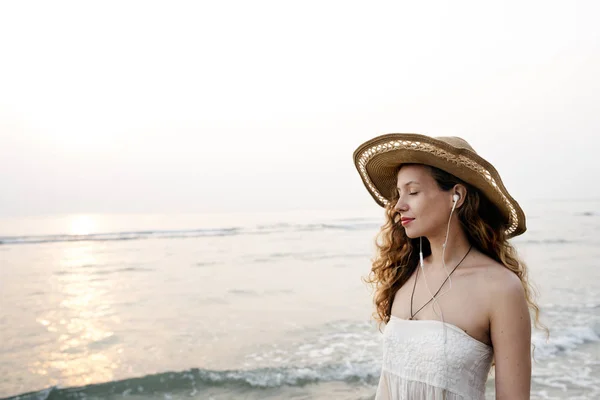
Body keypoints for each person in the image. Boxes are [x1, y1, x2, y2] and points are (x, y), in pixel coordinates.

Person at [352, 134, 545, 400]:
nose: (399, 205)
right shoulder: (405, 276)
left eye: (413, 191)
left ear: (456, 195)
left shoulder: (500, 288)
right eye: (399, 194)